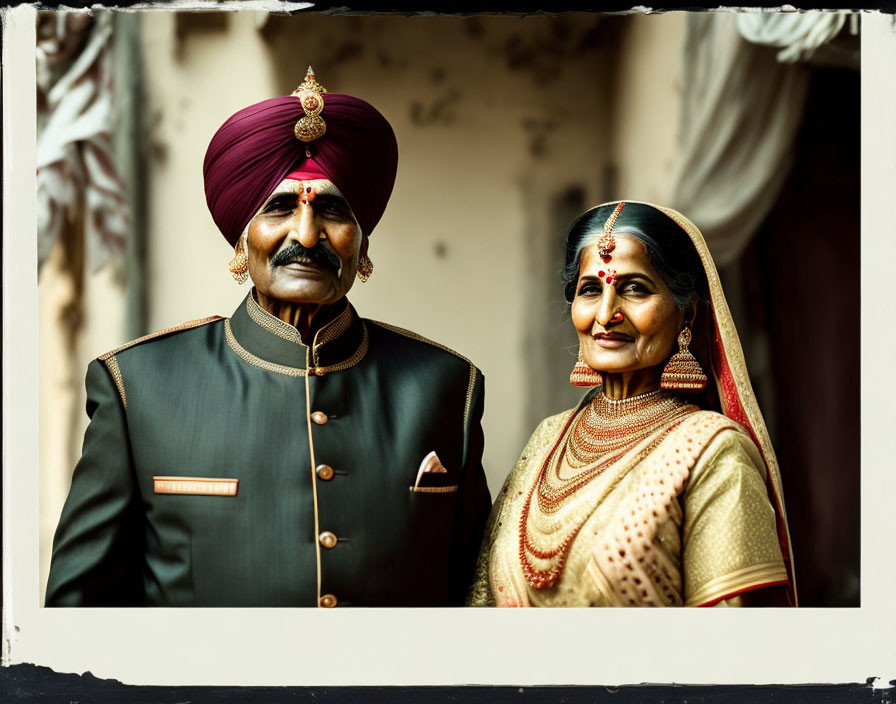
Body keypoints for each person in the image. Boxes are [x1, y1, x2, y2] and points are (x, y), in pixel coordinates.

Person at [46, 68, 491, 608]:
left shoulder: (444, 385)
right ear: (241, 238)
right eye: (279, 208)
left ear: (362, 240)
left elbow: (477, 599)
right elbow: (79, 615)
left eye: (332, 210)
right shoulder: (137, 387)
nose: (306, 235)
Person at [468, 200, 796, 607]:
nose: (606, 314)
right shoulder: (549, 437)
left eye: (634, 289)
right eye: (591, 289)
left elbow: (729, 652)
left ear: (687, 314)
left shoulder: (714, 453)